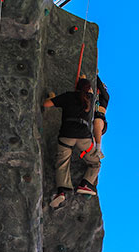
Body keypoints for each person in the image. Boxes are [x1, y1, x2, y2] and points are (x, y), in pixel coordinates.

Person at [43, 77, 101, 207]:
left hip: (66, 135)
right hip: (83, 138)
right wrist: (84, 79)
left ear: (76, 87)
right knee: (95, 163)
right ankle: (86, 184)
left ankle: (62, 191)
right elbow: (90, 90)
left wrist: (52, 97)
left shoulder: (67, 96)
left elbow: (46, 104)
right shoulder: (90, 99)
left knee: (62, 163)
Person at [93, 75, 110, 160]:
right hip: (91, 118)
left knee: (97, 122)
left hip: (100, 119)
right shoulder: (92, 96)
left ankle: (98, 148)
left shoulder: (105, 96)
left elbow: (99, 85)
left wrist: (95, 75)